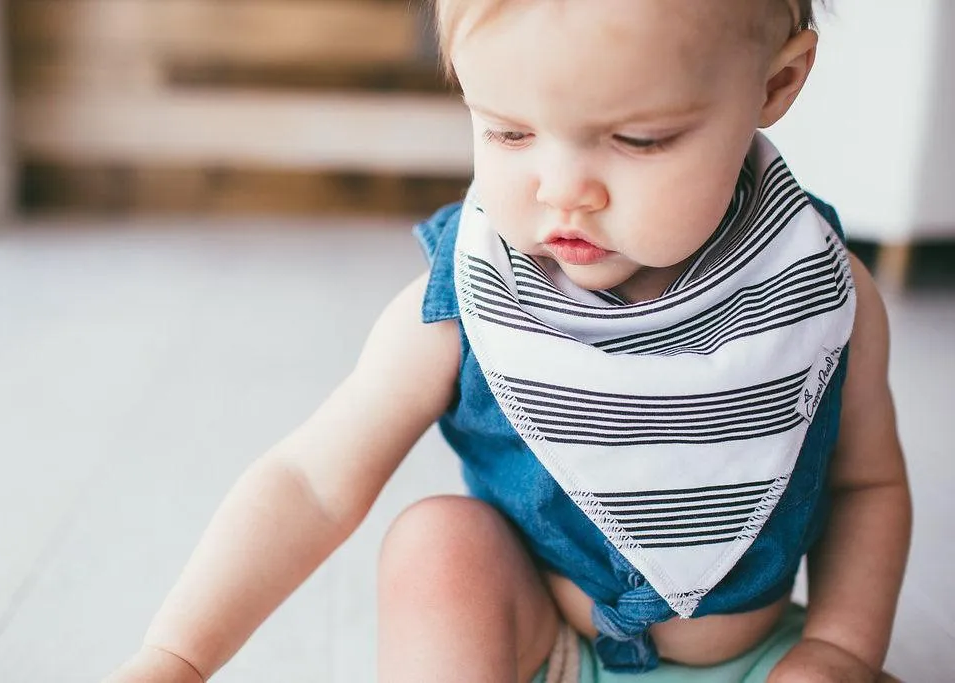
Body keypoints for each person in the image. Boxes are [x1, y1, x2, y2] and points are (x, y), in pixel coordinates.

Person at [105, 1, 911, 681]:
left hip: (759, 661)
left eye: (639, 140)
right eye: (509, 133)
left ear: (776, 83)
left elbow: (864, 487)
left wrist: (839, 647)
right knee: (438, 543)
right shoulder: (465, 303)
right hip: (539, 650)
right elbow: (312, 483)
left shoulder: (817, 290)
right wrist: (176, 656)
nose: (562, 191)